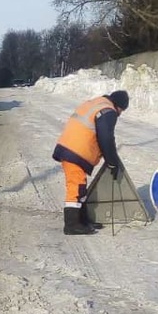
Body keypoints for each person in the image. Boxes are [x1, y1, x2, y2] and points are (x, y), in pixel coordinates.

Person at [51, 90, 128, 235]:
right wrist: (112, 162)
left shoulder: (97, 103)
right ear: (119, 106)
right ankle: (72, 224)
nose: (120, 114)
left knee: (80, 185)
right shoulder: (108, 111)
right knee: (76, 186)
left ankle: (82, 220)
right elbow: (106, 138)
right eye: (122, 110)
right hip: (75, 150)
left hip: (69, 146)